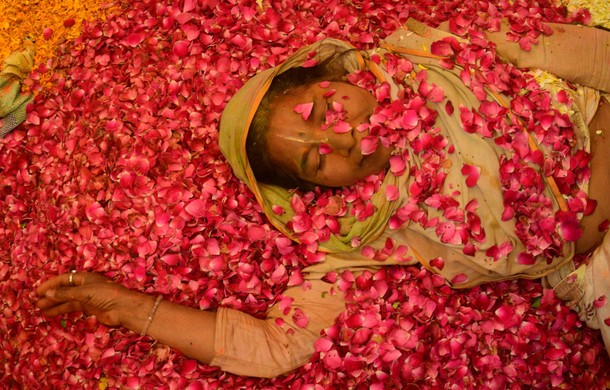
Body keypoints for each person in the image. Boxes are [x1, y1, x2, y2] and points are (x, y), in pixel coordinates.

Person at [36, 18, 610, 378]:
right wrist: (126, 307)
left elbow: (602, 60)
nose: (343, 135)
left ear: (331, 75)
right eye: (316, 159)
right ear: (316, 191)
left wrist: (591, 204)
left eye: (328, 105)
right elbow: (274, 347)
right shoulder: (358, 239)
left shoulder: (445, 49)